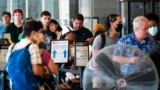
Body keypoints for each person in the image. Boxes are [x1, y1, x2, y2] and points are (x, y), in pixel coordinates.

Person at [5, 20, 44, 89]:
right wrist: (44, 71)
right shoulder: (33, 46)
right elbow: (36, 71)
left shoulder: (12, 46)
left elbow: (8, 68)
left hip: (15, 86)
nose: (42, 35)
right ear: (33, 33)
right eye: (40, 32)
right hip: (30, 86)